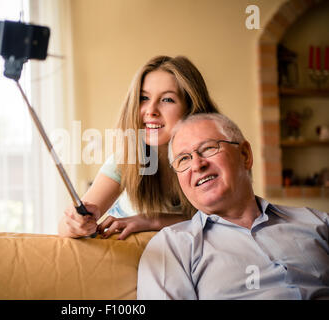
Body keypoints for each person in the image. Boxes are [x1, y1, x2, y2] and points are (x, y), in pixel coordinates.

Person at [137, 112, 329, 299]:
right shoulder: (172, 247)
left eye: (208, 148)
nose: (197, 165)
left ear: (245, 155)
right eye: (184, 159)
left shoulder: (318, 222)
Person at [58, 55, 219, 240]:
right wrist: (75, 222)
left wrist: (150, 221)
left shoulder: (214, 158)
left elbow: (223, 220)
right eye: (144, 98)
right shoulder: (126, 159)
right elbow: (63, 229)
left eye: (167, 100)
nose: (151, 110)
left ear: (191, 108)